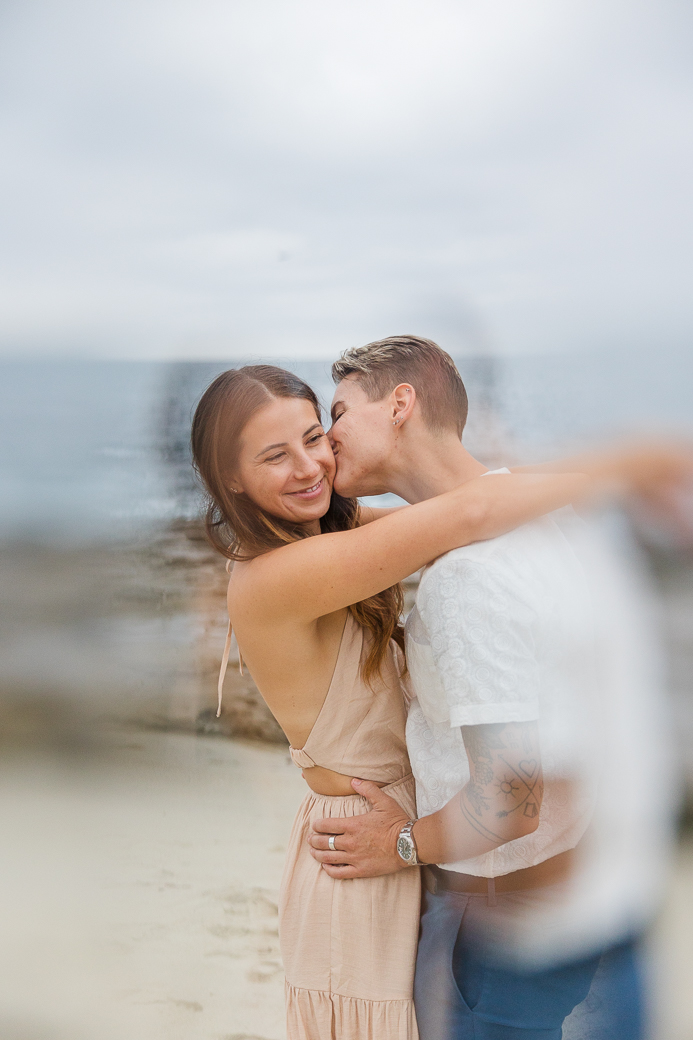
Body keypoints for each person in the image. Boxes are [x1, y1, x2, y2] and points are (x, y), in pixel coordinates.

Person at [190, 364, 604, 1040]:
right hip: (362, 842)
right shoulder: (274, 577)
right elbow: (467, 511)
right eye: (274, 455)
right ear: (231, 478)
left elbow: (449, 510)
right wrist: (611, 476)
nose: (308, 467)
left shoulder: (327, 533)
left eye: (314, 436)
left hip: (403, 836)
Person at [308, 336, 690, 1040]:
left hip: (504, 921)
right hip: (597, 898)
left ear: (400, 404)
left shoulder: (466, 581)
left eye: (337, 411)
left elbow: (511, 801)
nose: (325, 439)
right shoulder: (545, 515)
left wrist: (399, 844)